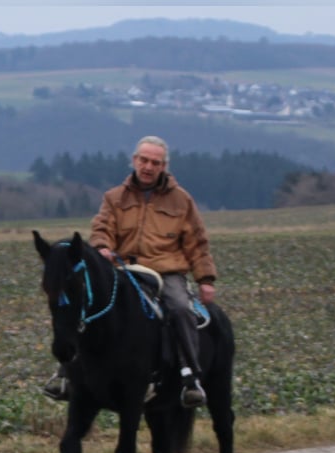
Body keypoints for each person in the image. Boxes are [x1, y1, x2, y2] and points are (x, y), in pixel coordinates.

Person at [43, 135, 217, 408]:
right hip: (123, 269)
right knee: (84, 305)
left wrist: (205, 279)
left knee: (181, 308)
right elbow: (101, 228)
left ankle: (189, 377)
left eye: (155, 163)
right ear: (134, 161)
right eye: (144, 160)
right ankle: (66, 374)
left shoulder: (181, 200)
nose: (148, 167)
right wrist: (102, 248)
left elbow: (197, 241)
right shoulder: (114, 197)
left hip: (164, 271)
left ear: (164, 166)